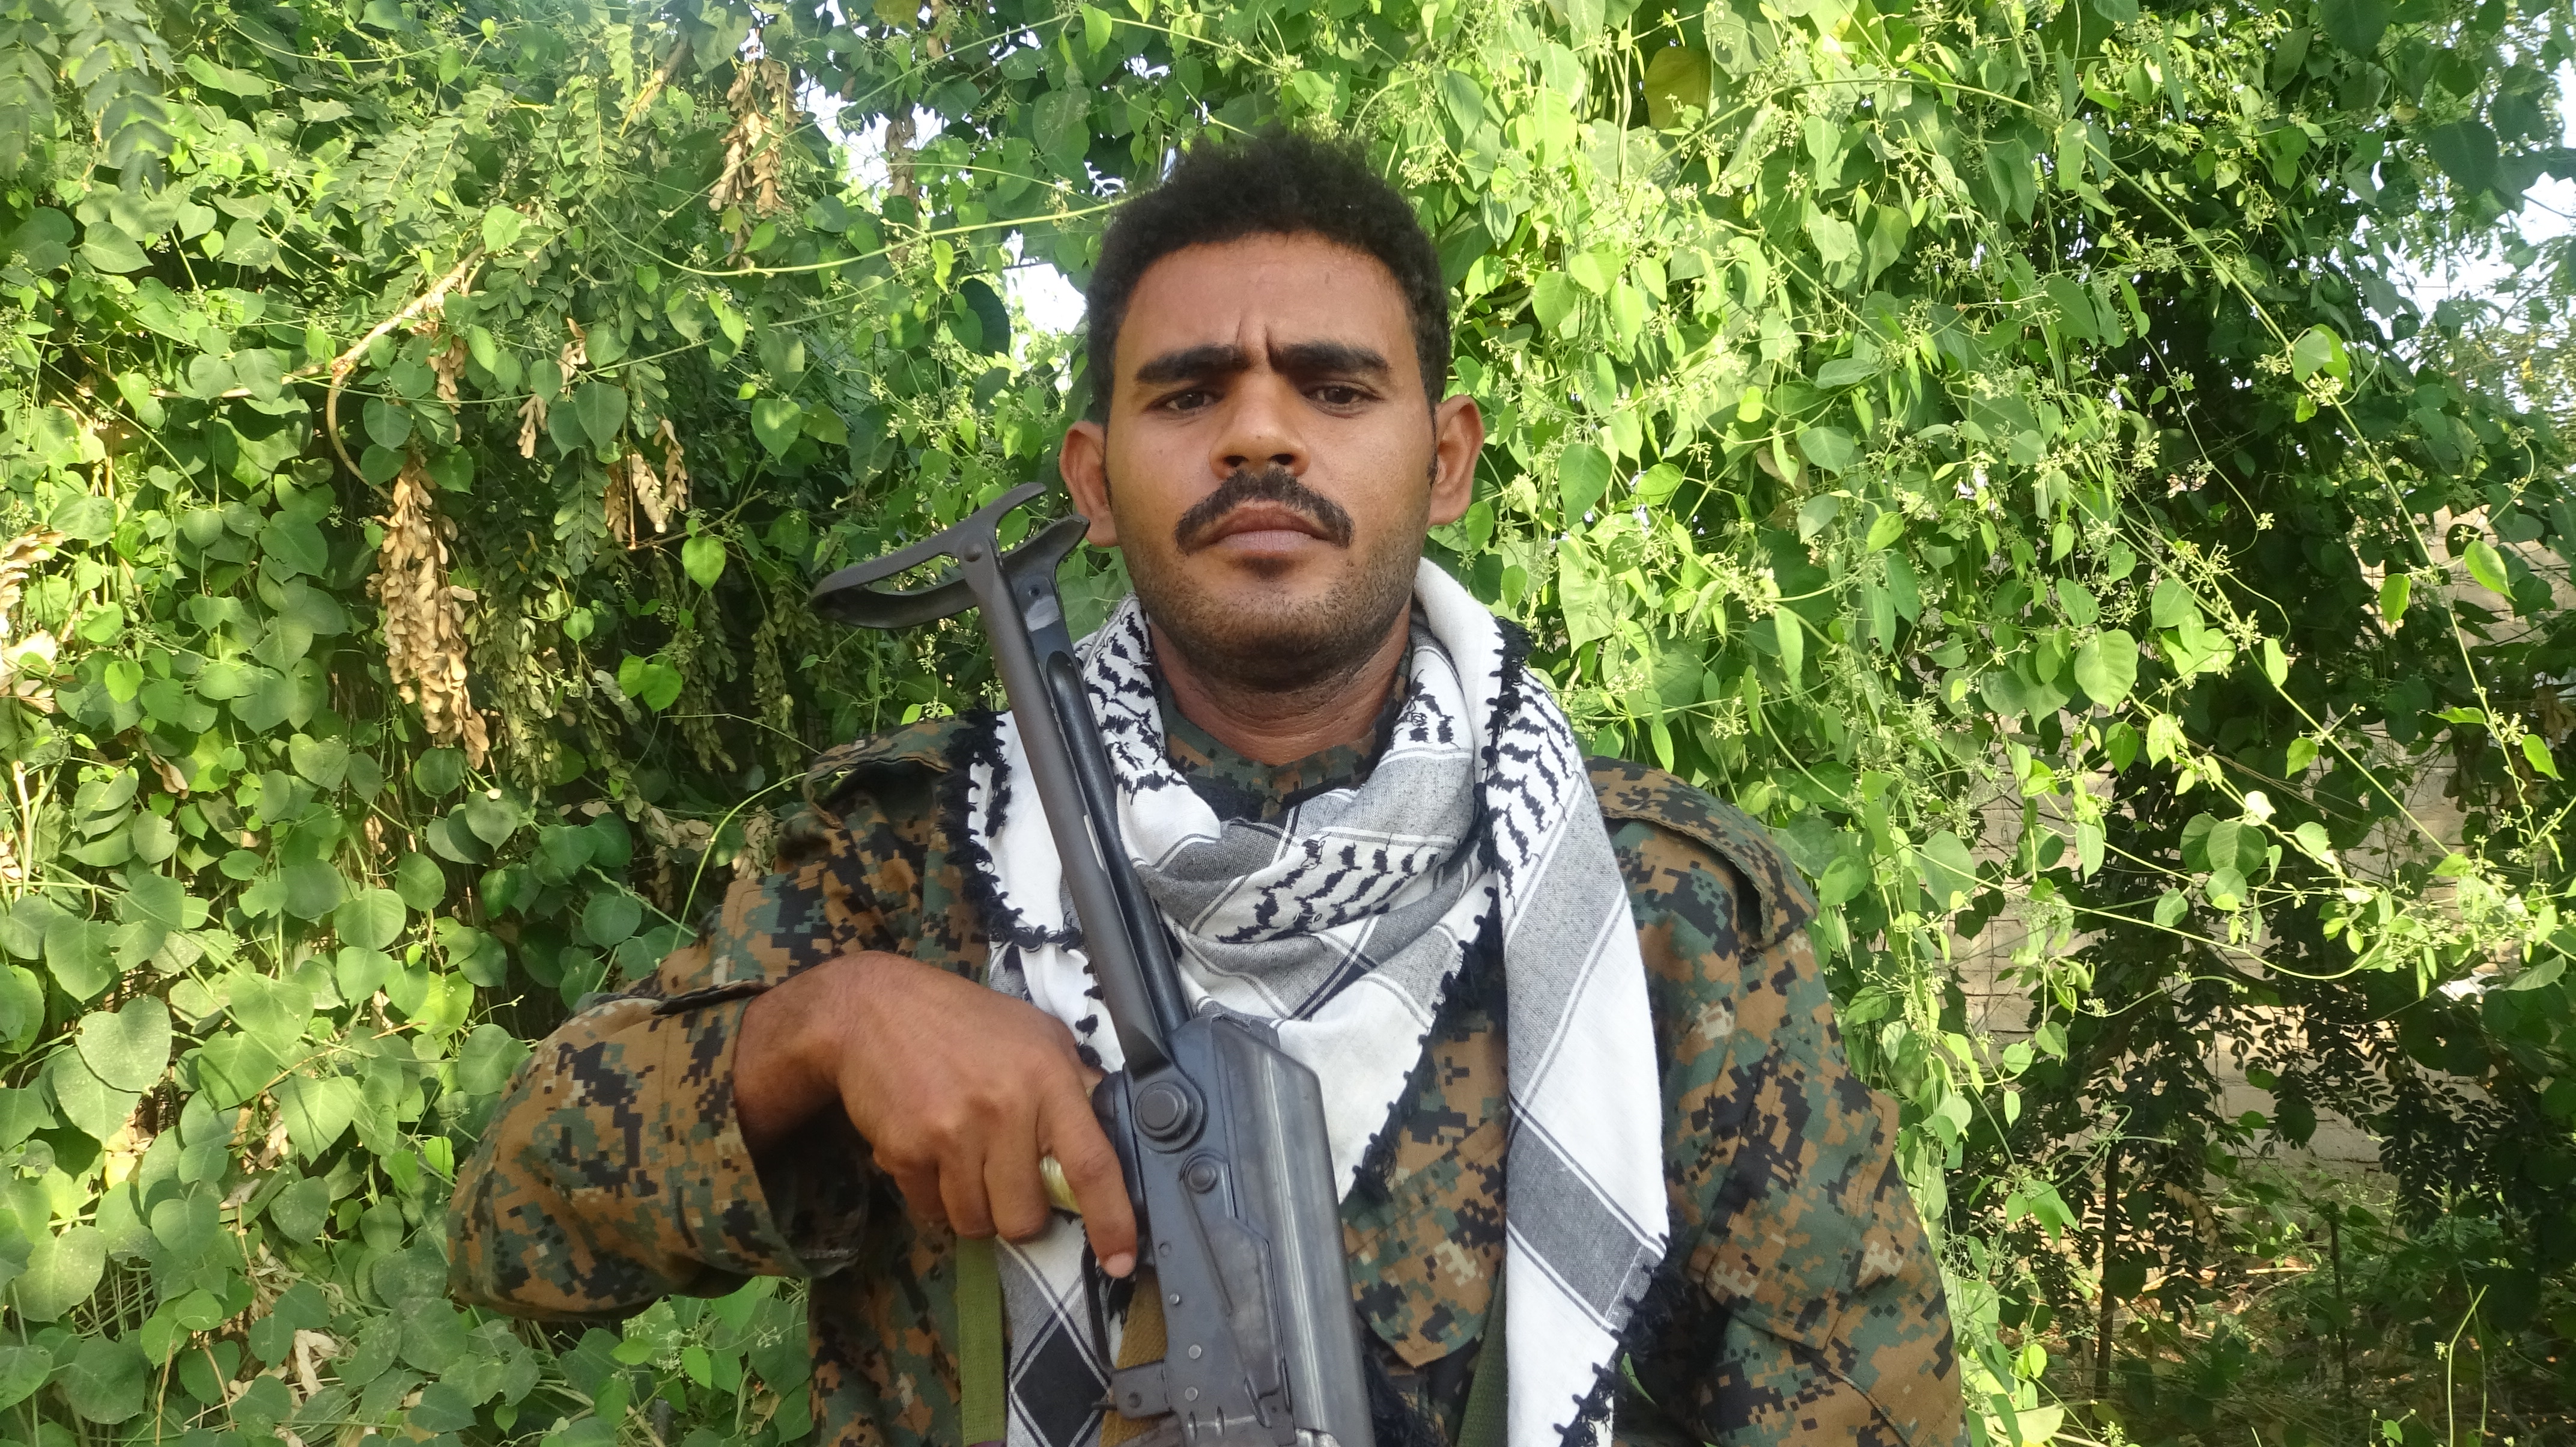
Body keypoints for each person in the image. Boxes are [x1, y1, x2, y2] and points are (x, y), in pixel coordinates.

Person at [448, 130, 1964, 1447]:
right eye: (1187, 396)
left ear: (1444, 461)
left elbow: (1861, 1407)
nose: (1257, 431)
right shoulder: (912, 856)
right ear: (1091, 482)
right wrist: (820, 1030)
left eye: (1333, 387)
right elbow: (512, 1226)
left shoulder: (1649, 907)